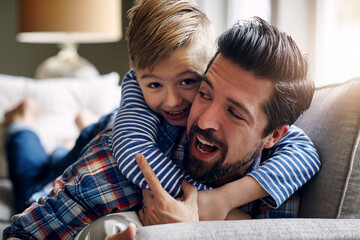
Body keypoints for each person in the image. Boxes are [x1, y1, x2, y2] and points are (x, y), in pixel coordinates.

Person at [3, 1, 319, 239]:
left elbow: (305, 151)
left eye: (234, 112)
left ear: (273, 135)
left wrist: (210, 213)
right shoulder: (137, 146)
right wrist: (199, 205)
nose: (202, 118)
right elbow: (27, 231)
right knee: (32, 177)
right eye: (206, 93)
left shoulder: (282, 184)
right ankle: (22, 123)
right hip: (103, 134)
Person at [4, 98, 116, 213]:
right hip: (65, 173)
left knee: (23, 133)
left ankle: (79, 132)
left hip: (41, 191)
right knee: (27, 138)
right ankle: (79, 133)